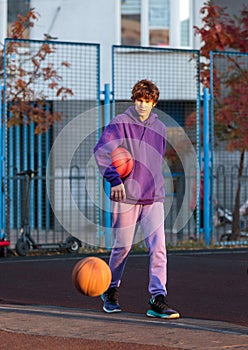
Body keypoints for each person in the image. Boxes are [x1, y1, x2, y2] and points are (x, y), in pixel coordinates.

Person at [94, 79, 180, 319]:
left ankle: (157, 298)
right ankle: (110, 290)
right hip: (125, 196)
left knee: (159, 249)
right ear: (134, 100)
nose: (143, 105)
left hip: (153, 196)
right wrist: (115, 179)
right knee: (123, 247)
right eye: (139, 100)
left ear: (154, 103)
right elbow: (102, 151)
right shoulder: (119, 123)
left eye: (147, 101)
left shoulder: (160, 128)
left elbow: (156, 159)